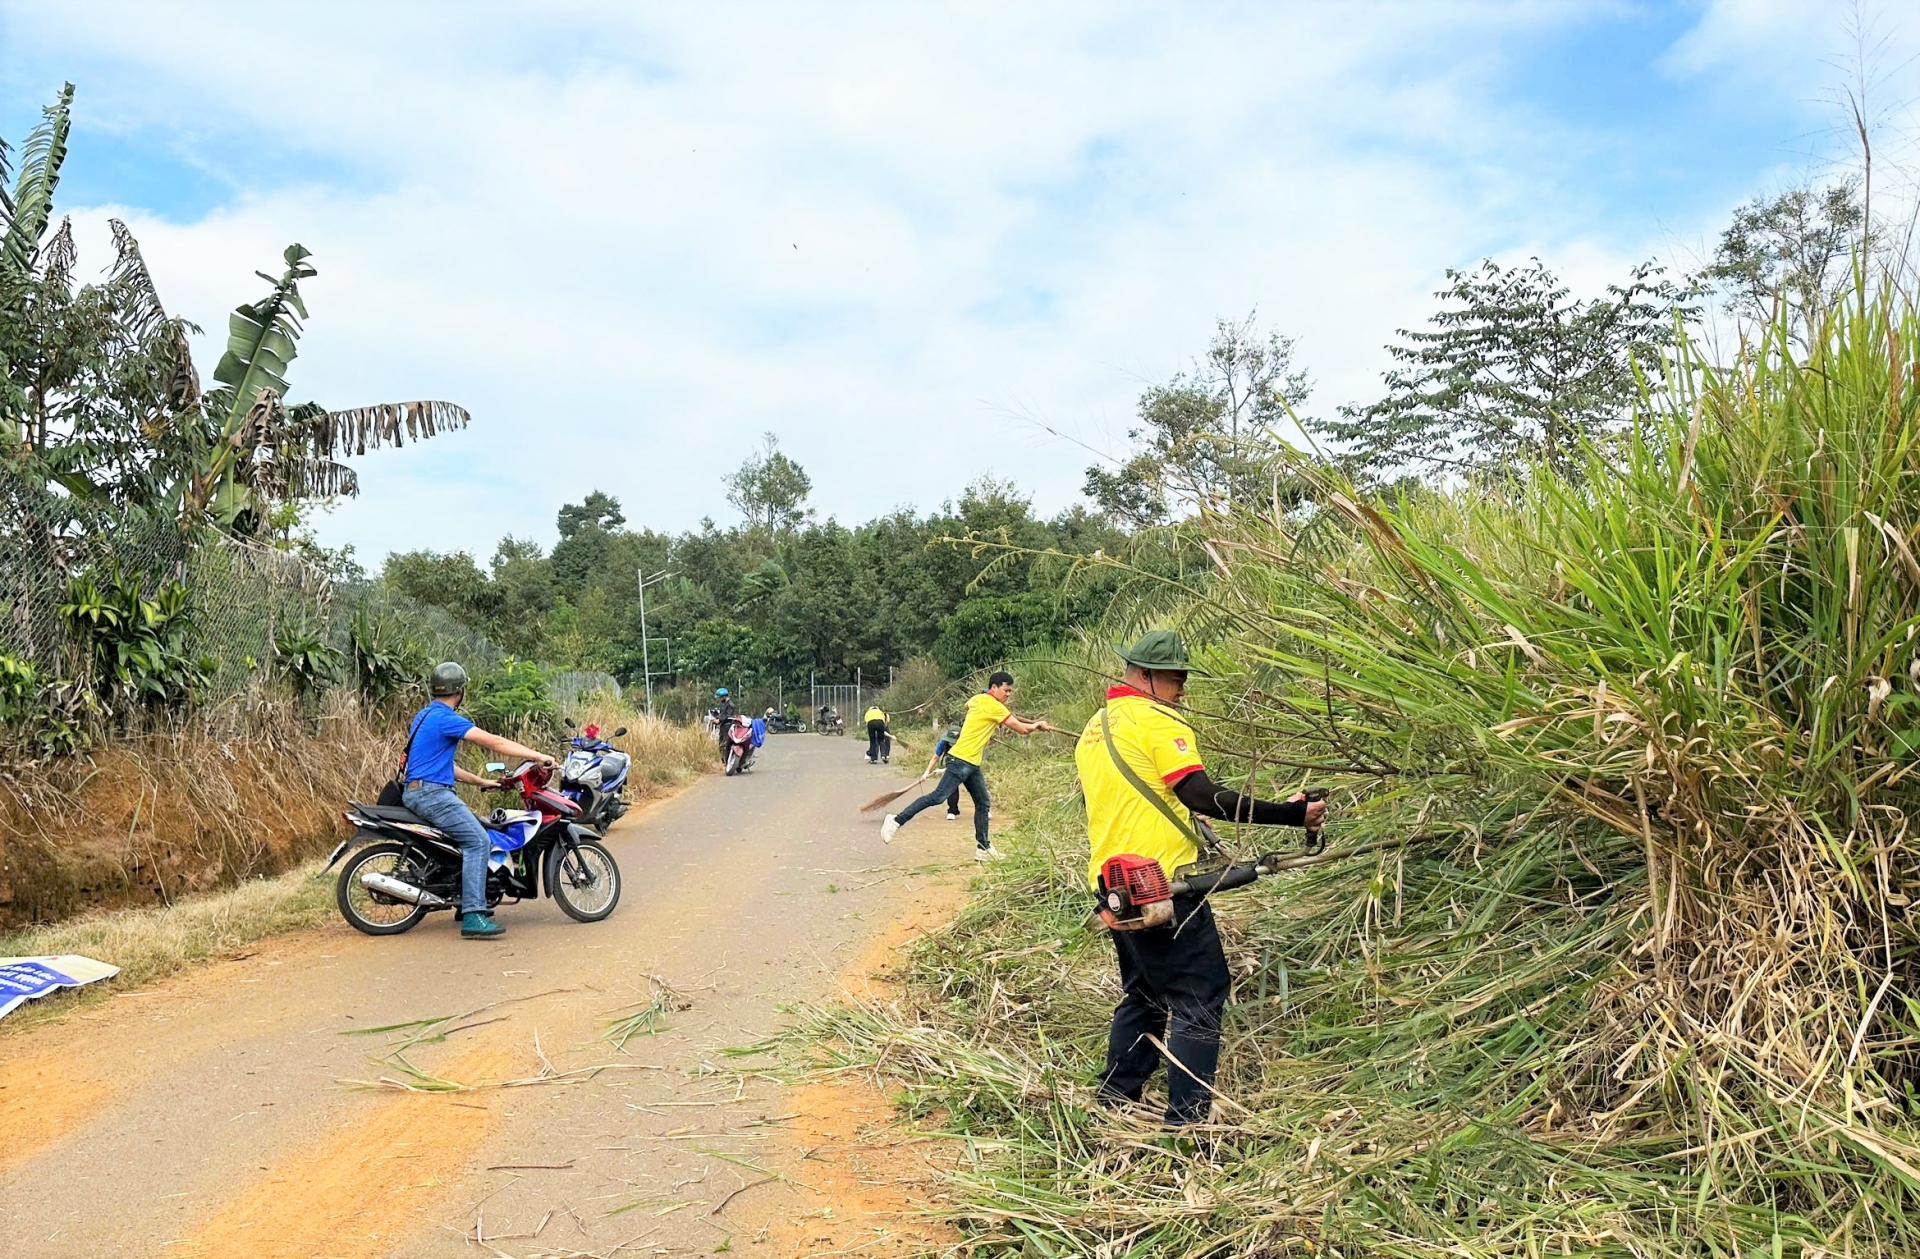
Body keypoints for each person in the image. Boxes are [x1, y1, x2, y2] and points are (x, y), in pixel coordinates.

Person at [1076, 630, 1328, 1126]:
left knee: (1146, 994)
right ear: (1144, 675)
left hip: (1113, 885)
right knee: (1200, 995)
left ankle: (1113, 1100)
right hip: (1160, 887)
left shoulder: (1095, 727)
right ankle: (1188, 1125)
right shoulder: (1157, 720)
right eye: (1175, 678)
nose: (1183, 689)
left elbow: (1116, 800)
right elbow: (1201, 794)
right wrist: (1292, 815)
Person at [402, 662, 557, 940]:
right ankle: (473, 914)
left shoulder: (424, 716)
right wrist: (536, 756)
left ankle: (464, 900)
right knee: (478, 841)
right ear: (459, 691)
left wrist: (480, 781)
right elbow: (493, 742)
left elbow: (438, 765)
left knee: (474, 832)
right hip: (432, 794)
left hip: (421, 789)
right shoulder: (446, 719)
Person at [882, 670, 1055, 860]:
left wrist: (994, 704)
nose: (1008, 695)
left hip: (972, 763)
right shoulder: (993, 706)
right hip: (960, 759)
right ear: (994, 688)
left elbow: (968, 703)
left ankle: (983, 848)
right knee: (938, 797)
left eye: (1011, 692)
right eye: (1006, 690)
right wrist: (1038, 725)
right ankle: (896, 820)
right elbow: (1022, 729)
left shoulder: (979, 699)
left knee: (983, 802)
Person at [922, 721, 964, 820]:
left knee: (976, 788)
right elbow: (936, 757)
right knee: (951, 785)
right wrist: (927, 771)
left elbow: (963, 762)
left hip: (967, 765)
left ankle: (985, 810)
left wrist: (943, 770)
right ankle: (952, 810)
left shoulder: (965, 744)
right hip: (951, 765)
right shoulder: (943, 743)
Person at [714, 687, 737, 762]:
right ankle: (723, 760)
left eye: (720, 698)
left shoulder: (730, 705)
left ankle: (726, 760)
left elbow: (727, 715)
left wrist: (719, 720)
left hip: (728, 726)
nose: (720, 699)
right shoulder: (724, 704)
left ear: (724, 697)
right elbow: (722, 714)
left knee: (725, 744)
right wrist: (716, 717)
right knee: (721, 743)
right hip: (723, 726)